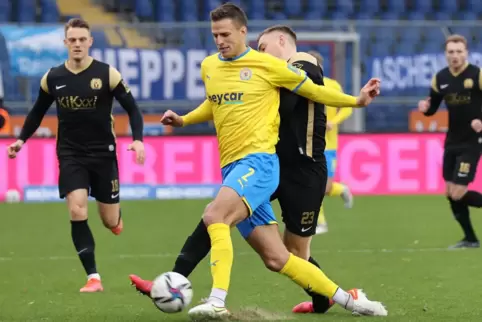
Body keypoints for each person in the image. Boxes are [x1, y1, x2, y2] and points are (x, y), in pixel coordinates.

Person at [132, 3, 387, 319]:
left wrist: (357, 102)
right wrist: (183, 120)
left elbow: (314, 91)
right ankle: (352, 302)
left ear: (242, 32)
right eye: (215, 35)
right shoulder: (210, 66)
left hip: (260, 164)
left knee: (215, 216)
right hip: (233, 165)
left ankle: (214, 299)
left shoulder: (267, 65)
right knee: (279, 258)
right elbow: (216, 103)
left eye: (225, 34)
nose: (220, 40)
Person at [6, 18, 145, 292]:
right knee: (77, 208)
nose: (78, 44)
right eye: (73, 40)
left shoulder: (108, 74)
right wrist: (21, 140)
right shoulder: (53, 78)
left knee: (109, 221)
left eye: (83, 39)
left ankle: (115, 220)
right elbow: (37, 112)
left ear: (90, 42)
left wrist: (138, 140)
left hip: (104, 154)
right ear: (65, 43)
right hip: (70, 153)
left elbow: (133, 109)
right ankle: (93, 277)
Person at [418, 34, 482, 249]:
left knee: (458, 192)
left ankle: (470, 239)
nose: (455, 56)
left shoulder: (477, 75)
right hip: (452, 141)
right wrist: (426, 110)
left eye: (459, 51)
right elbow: (433, 108)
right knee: (449, 194)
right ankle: (470, 239)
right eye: (451, 52)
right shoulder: (440, 78)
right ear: (446, 55)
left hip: (472, 142)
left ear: (466, 53)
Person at [306, 50, 354, 235]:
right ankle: (321, 223)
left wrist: (334, 122)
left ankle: (341, 189)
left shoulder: (332, 86)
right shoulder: (302, 87)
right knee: (312, 185)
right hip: (308, 144)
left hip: (329, 145)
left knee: (324, 187)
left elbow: (347, 108)